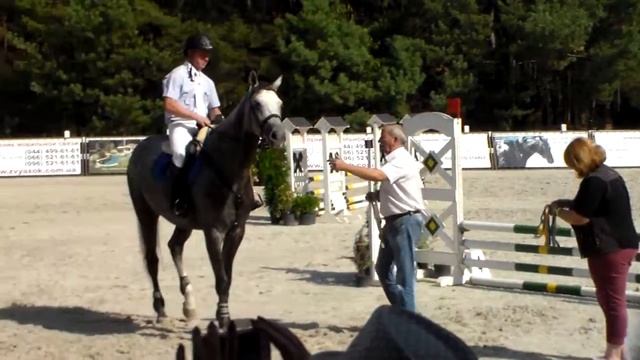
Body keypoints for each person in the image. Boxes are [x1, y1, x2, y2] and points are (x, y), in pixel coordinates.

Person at [548, 137, 638, 360]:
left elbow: (579, 217)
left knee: (612, 301)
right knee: (608, 299)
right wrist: (566, 202)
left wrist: (557, 212)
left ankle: (613, 354)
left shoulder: (593, 182)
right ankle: (620, 350)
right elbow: (591, 204)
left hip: (609, 248)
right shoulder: (608, 174)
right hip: (621, 244)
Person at [162, 33, 262, 216]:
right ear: (191, 53)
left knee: (233, 150)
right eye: (202, 54)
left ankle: (250, 195)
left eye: (208, 54)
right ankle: (178, 198)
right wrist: (195, 116)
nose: (207, 58)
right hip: (181, 125)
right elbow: (169, 104)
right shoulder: (177, 75)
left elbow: (214, 110)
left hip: (204, 126)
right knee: (181, 153)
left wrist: (222, 121)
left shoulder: (207, 82)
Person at [329, 124, 426, 312]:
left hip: (404, 221)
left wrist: (345, 166)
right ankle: (403, 310)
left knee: (404, 277)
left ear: (395, 140)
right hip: (395, 221)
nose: (381, 141)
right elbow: (399, 188)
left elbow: (378, 175)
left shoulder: (400, 160)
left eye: (384, 138)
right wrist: (378, 196)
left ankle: (409, 319)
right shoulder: (396, 160)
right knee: (382, 269)